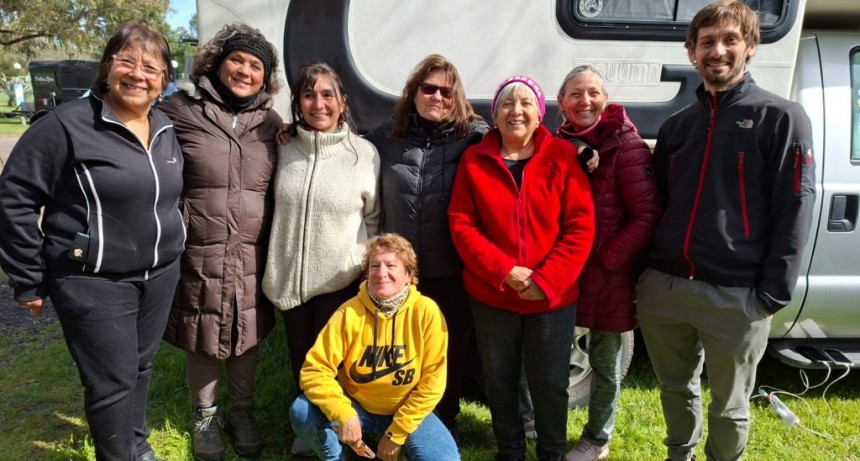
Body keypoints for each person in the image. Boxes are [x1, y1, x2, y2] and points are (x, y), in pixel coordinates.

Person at [636, 2, 815, 461]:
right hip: (666, 286)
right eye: (707, 41)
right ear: (692, 52)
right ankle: (681, 453)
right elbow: (655, 203)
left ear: (750, 47)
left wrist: (773, 292)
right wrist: (645, 275)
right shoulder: (677, 127)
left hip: (738, 295)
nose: (718, 50)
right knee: (675, 389)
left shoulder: (783, 118)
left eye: (730, 40)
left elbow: (796, 206)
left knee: (729, 405)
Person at [0, 20, 184, 461]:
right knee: (111, 383)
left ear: (163, 80)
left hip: (158, 273)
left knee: (139, 369)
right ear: (107, 67)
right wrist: (27, 278)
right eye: (128, 62)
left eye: (151, 68)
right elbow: (14, 198)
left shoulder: (164, 125)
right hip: (92, 280)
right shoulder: (66, 125)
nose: (138, 74)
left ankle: (136, 447)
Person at [448, 75, 595, 461]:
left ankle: (551, 452)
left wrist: (544, 280)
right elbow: (462, 224)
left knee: (549, 384)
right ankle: (510, 450)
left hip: (552, 298)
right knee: (500, 381)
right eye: (507, 104)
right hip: (493, 294)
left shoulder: (563, 156)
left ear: (540, 113)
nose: (517, 111)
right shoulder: (475, 159)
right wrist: (505, 272)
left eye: (526, 103)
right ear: (494, 115)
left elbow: (580, 226)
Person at [159, 24, 283, 461]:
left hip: (251, 249)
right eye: (237, 60)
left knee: (245, 333)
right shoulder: (180, 110)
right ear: (217, 62)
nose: (244, 71)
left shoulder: (270, 123)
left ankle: (242, 413)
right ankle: (205, 417)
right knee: (202, 331)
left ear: (265, 77)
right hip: (199, 246)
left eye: (255, 65)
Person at [365, 54, 487, 439]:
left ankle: (443, 421)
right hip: (399, 274)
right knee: (399, 348)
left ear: (457, 97)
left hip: (451, 268)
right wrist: (287, 132)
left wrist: (580, 151)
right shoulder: (388, 135)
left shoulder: (474, 135)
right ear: (414, 91)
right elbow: (341, 141)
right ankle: (395, 418)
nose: (436, 96)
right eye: (428, 88)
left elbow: (522, 137)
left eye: (446, 91)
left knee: (448, 349)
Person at [261, 62, 380, 456]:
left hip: (340, 280)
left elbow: (374, 219)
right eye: (309, 95)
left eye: (328, 94)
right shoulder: (282, 146)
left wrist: (366, 268)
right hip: (288, 279)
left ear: (342, 101)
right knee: (302, 358)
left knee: (338, 365)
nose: (319, 103)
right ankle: (309, 428)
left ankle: (345, 431)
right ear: (297, 102)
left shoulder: (363, 154)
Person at [555, 65, 660, 461]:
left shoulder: (626, 146)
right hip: (562, 272)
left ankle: (597, 438)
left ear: (606, 98)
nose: (585, 101)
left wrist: (604, 263)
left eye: (593, 93)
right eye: (576, 94)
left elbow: (646, 215)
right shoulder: (557, 143)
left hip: (607, 274)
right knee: (546, 352)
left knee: (604, 362)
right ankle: (534, 420)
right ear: (561, 102)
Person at [289, 233, 459, 461]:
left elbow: (433, 383)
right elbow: (314, 371)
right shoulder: (348, 312)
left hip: (406, 409)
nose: (381, 273)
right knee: (301, 412)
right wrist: (343, 413)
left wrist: (396, 434)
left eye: (391, 265)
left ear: (408, 275)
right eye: (374, 266)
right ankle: (337, 456)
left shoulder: (426, 312)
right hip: (356, 406)